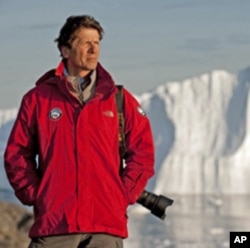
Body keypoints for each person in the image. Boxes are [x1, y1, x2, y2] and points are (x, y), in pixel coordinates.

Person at [4, 15, 155, 248]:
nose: (93, 49)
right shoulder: (38, 100)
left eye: (97, 42)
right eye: (85, 42)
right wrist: (36, 194)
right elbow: (17, 154)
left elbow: (142, 152)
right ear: (65, 50)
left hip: (105, 228)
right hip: (56, 225)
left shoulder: (118, 100)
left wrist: (122, 195)